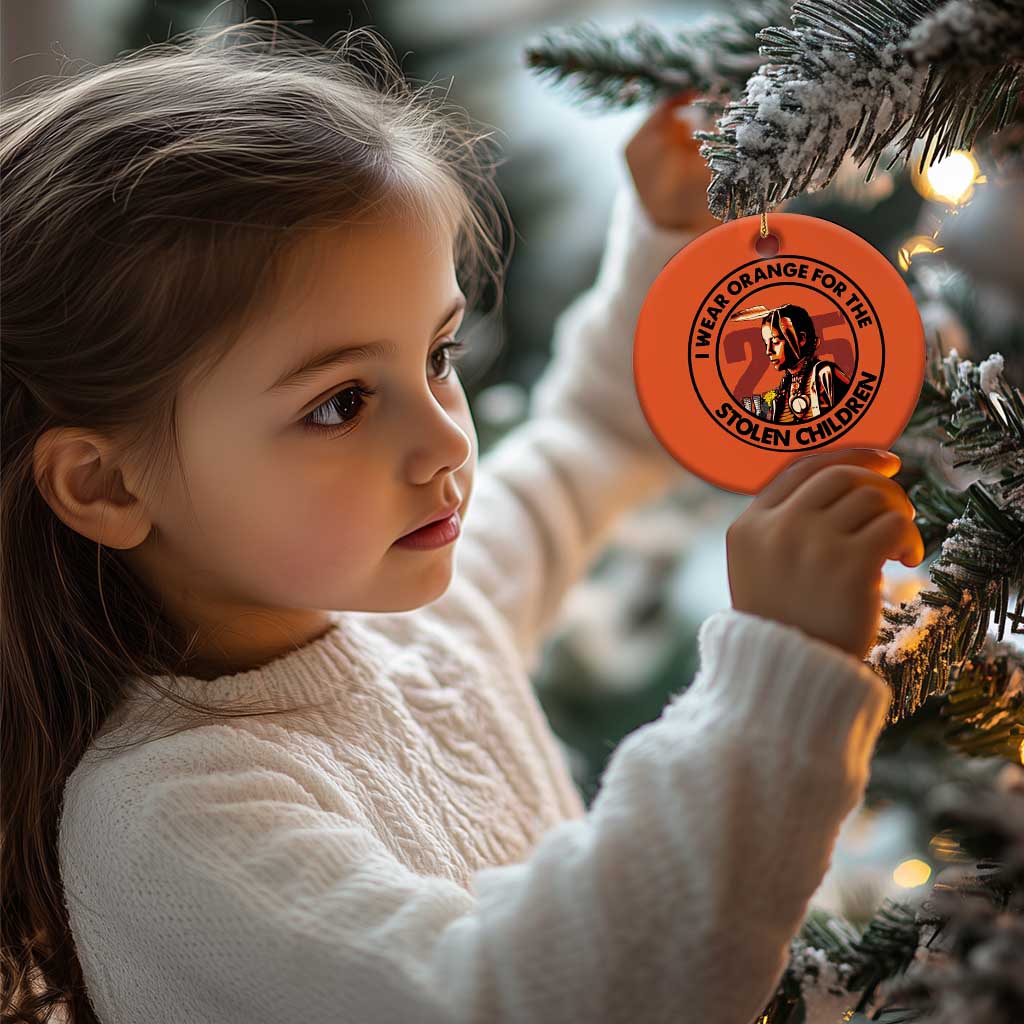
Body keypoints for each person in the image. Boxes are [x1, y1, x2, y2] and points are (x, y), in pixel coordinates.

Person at [0, 21, 923, 1024]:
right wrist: (776, 676)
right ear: (106, 488)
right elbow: (532, 1000)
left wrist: (669, 240)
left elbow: (595, 437)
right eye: (340, 402)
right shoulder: (169, 817)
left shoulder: (423, 621)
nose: (443, 442)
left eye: (436, 356)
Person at [743, 304, 853, 423]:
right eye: (766, 344)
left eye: (775, 342)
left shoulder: (825, 374)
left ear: (801, 339)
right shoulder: (783, 390)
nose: (768, 351)